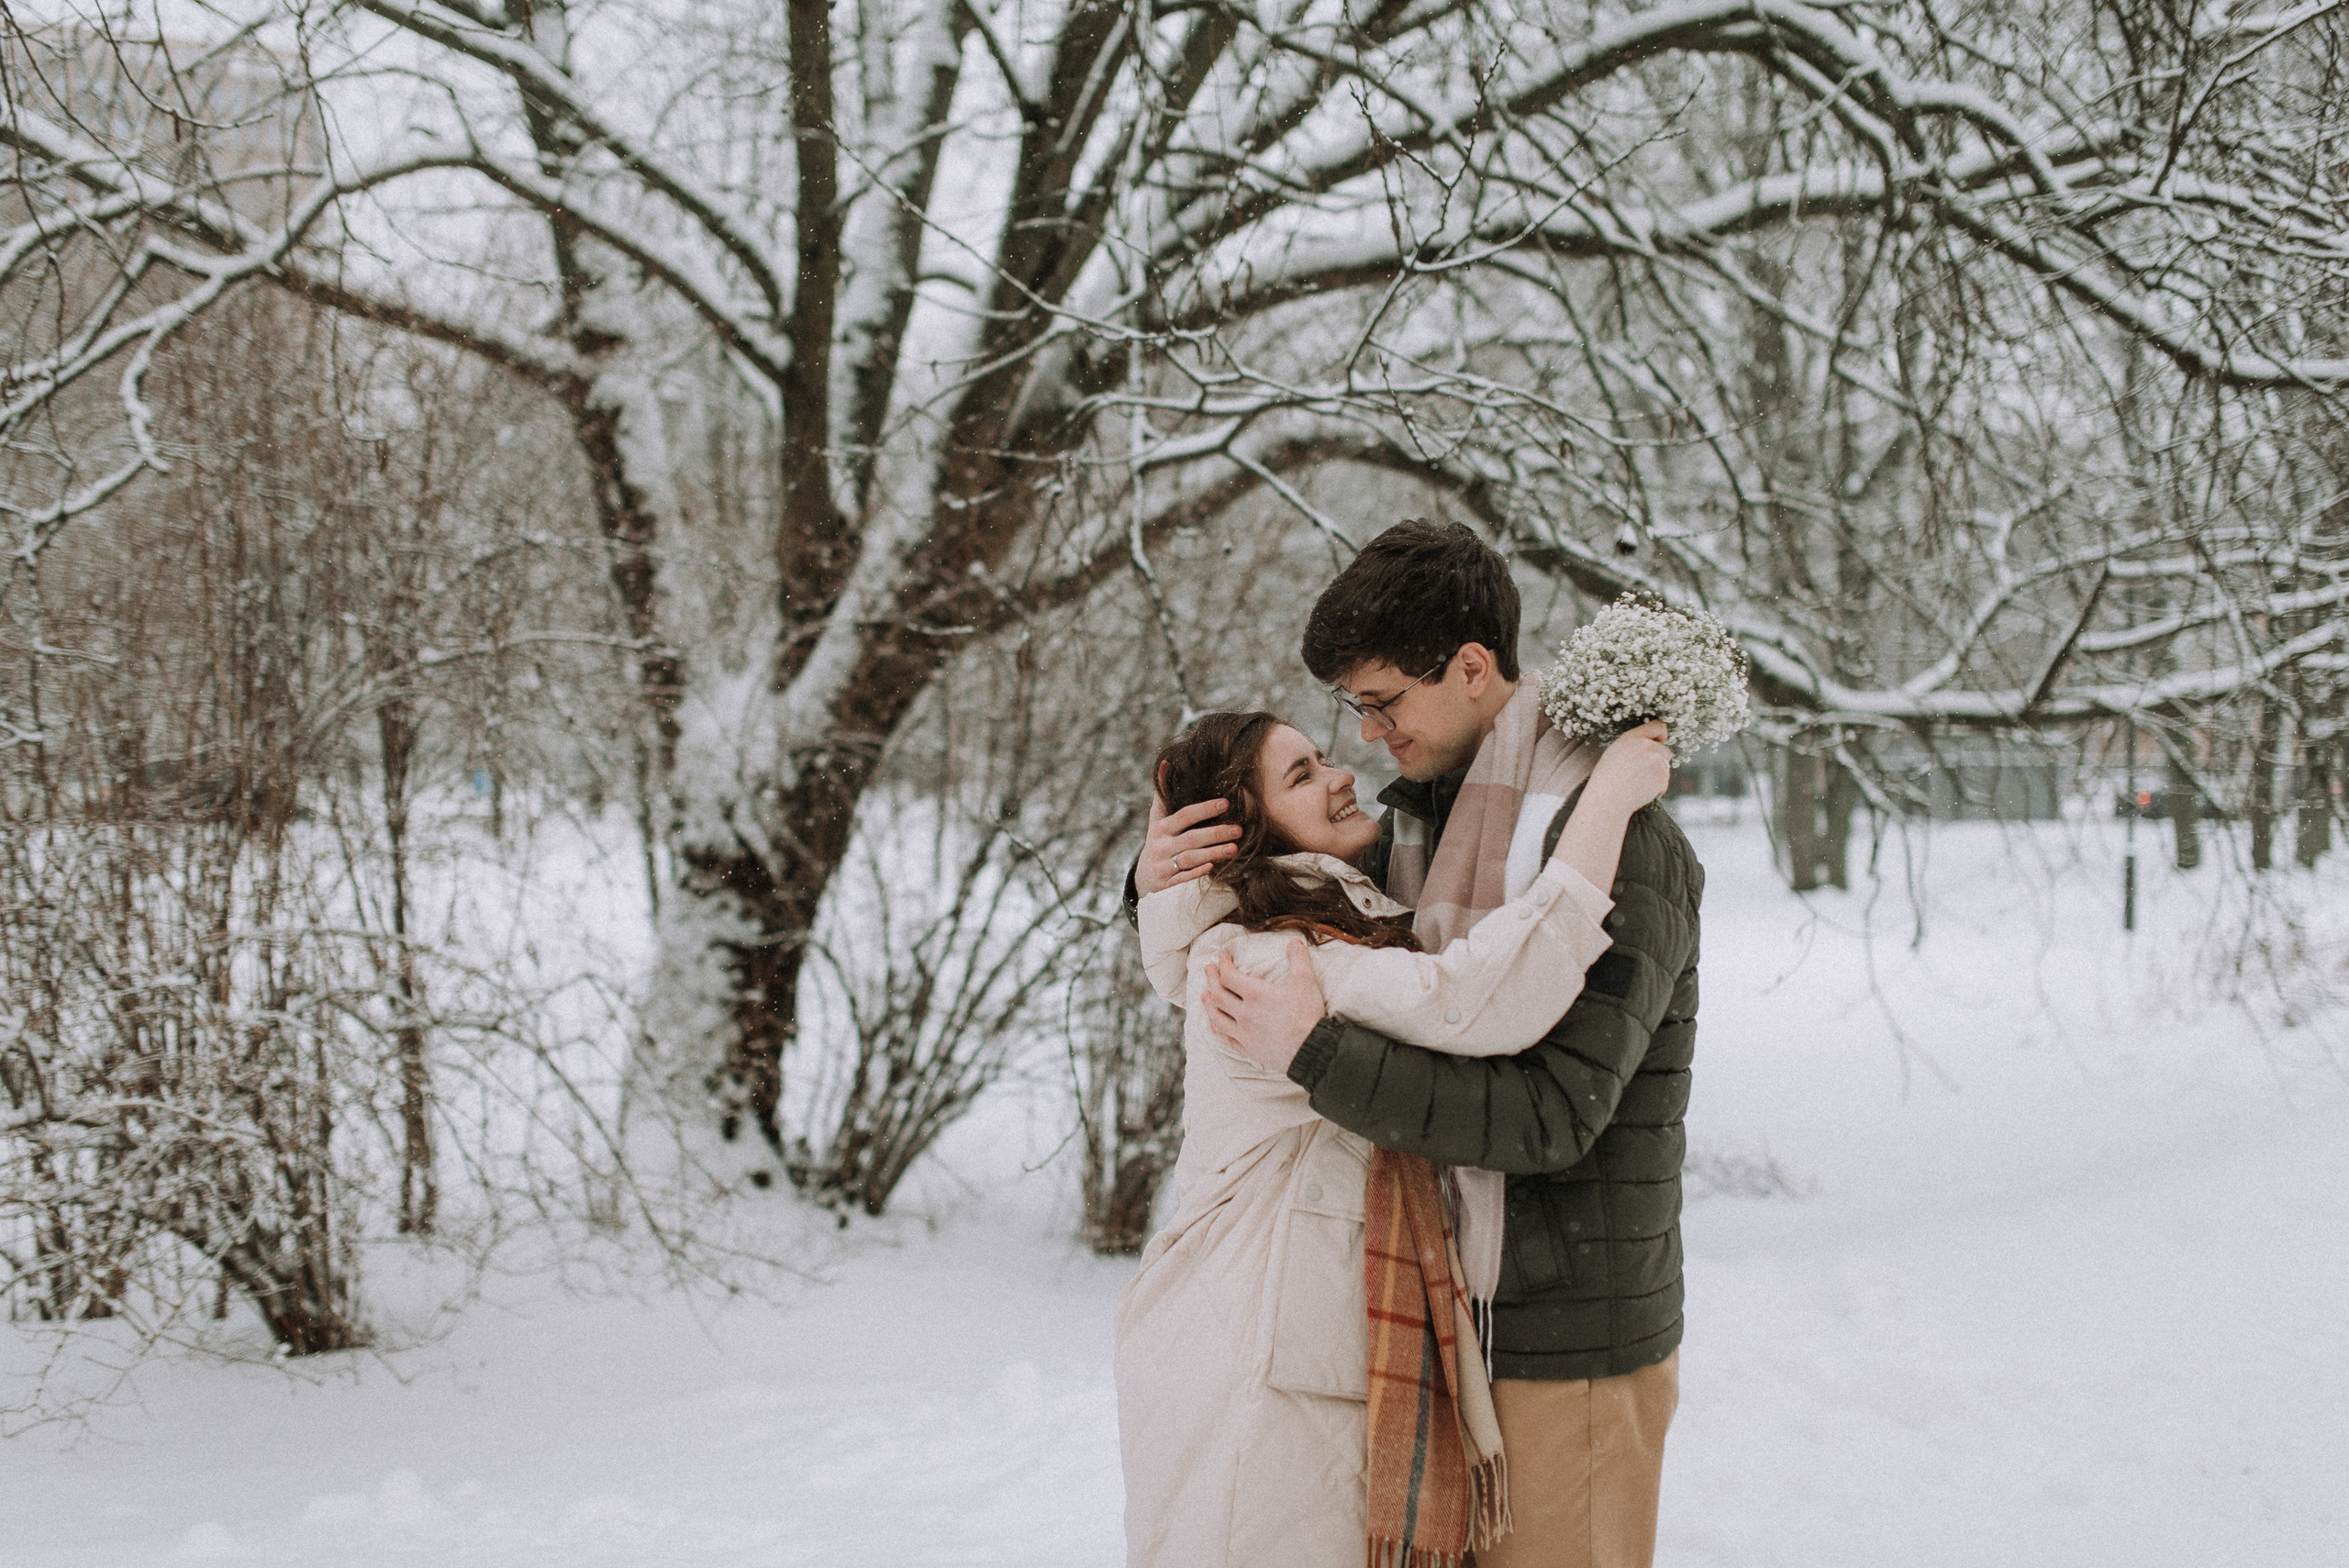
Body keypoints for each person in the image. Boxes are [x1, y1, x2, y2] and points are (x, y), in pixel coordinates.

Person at [1135, 519, 1706, 1568]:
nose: (1363, 739)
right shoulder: (1414, 840)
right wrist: (1166, 882)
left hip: (1563, 1334)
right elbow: (1253, 945)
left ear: (1473, 666)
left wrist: (1317, 1052)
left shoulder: (1623, 838)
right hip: (1454, 1326)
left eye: (1382, 702)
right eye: (1349, 711)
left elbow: (1551, 1114)